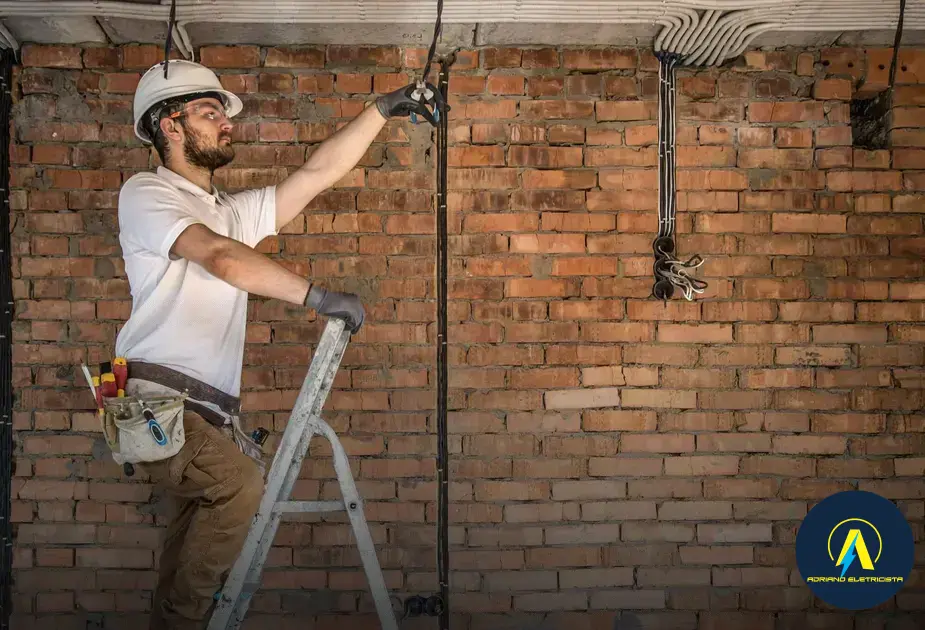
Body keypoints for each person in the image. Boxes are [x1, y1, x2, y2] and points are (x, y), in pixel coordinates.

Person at [116, 59, 435, 630]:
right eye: (210, 113)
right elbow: (219, 256)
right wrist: (316, 296)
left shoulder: (228, 213)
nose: (227, 124)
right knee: (238, 485)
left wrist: (381, 111)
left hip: (202, 413)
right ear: (169, 124)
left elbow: (314, 176)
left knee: (197, 519)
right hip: (157, 403)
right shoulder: (147, 194)